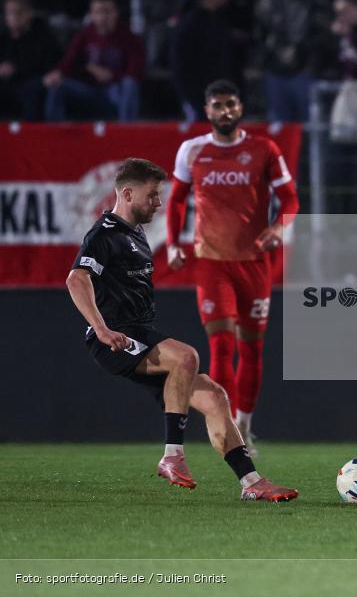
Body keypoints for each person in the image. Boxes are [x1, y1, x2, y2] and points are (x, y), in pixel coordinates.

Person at [66, 158, 298, 502]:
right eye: (152, 195)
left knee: (216, 397)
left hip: (138, 333)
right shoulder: (106, 234)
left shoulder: (136, 234)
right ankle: (172, 455)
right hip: (118, 337)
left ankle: (251, 483)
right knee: (187, 356)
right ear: (127, 194)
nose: (159, 202)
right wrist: (100, 329)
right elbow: (76, 278)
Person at [166, 79, 300, 456]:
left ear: (240, 108)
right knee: (220, 346)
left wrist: (278, 226)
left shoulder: (264, 149)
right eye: (217, 105)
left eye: (230, 104)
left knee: (252, 349)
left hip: (255, 263)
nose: (224, 111)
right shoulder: (192, 151)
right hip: (212, 262)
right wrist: (174, 244)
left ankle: (245, 424)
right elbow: (177, 200)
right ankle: (225, 429)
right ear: (206, 110)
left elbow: (290, 199)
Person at [43, 0, 143, 121]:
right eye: (98, 12)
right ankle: (55, 135)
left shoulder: (130, 38)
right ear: (92, 15)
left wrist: (113, 76)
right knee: (57, 84)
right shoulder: (84, 35)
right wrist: (58, 73)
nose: (102, 17)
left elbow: (134, 72)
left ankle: (126, 134)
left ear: (116, 13)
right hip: (88, 89)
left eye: (107, 11)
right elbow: (70, 61)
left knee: (129, 85)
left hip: (114, 90)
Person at [0, 0, 61, 120]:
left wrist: (16, 69)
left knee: (32, 89)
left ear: (29, 13)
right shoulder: (3, 36)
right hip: (8, 84)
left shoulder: (42, 34)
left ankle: (31, 133)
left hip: (35, 81)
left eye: (19, 12)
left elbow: (51, 63)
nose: (14, 17)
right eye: (10, 13)